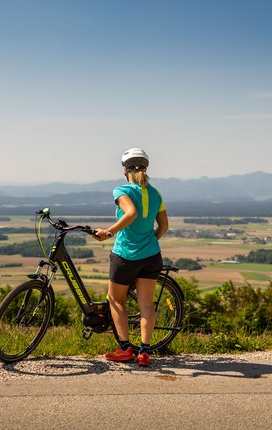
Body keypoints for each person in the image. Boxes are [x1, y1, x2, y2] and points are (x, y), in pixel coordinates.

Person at [94, 148, 169, 367]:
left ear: (125, 170)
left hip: (125, 255)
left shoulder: (121, 190)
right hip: (151, 256)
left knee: (116, 300)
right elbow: (164, 226)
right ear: (146, 168)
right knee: (146, 304)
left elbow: (131, 213)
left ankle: (125, 349)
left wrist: (109, 232)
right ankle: (144, 352)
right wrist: (150, 241)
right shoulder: (156, 194)